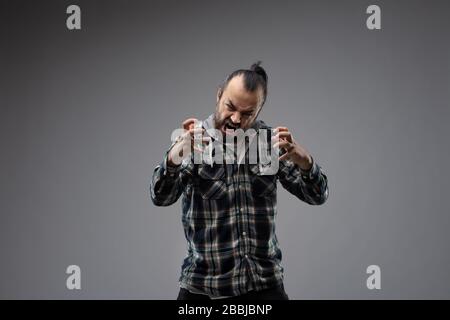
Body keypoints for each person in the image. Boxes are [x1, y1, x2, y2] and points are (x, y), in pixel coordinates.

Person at [150, 62, 329, 300]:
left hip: (264, 287)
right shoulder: (193, 141)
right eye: (230, 107)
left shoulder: (270, 143)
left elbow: (317, 196)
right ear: (219, 95)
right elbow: (160, 197)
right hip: (206, 290)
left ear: (259, 110)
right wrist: (174, 156)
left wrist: (305, 161)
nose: (235, 119)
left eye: (247, 114)